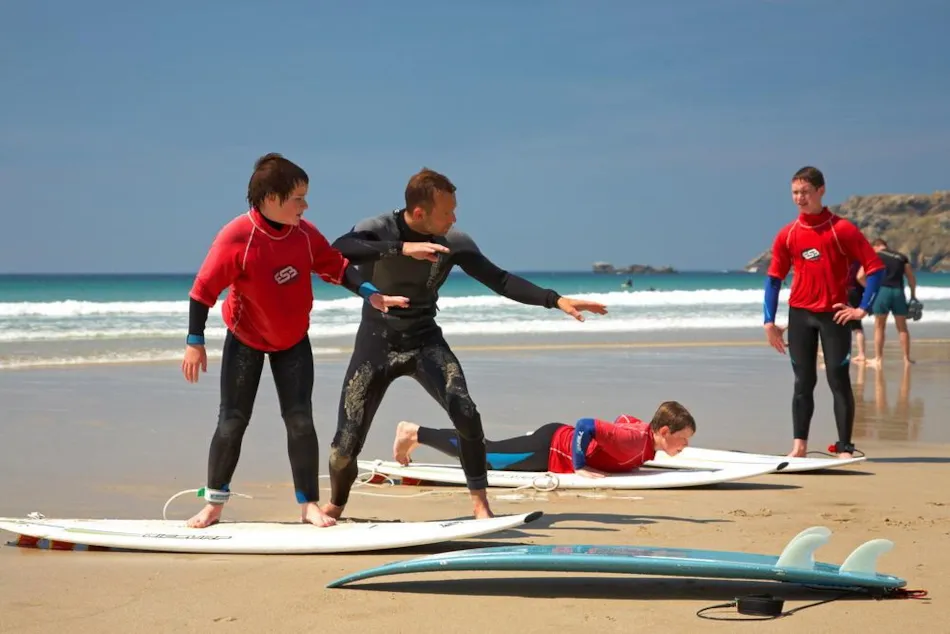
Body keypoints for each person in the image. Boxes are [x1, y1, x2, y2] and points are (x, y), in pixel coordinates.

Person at [324, 167, 609, 521]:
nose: (454, 218)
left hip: (424, 340)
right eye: (447, 212)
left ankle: (480, 505)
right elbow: (340, 249)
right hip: (376, 343)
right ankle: (335, 506)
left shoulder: (453, 242)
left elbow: (500, 279)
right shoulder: (379, 228)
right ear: (419, 213)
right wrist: (403, 249)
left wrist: (556, 300)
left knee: (467, 414)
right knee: (344, 446)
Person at [181, 153, 409, 529]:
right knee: (232, 422)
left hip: (292, 341)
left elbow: (336, 266)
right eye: (298, 198)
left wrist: (371, 294)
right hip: (246, 338)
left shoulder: (304, 235)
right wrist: (195, 341)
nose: (305, 206)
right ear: (271, 198)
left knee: (300, 421)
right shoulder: (239, 236)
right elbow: (203, 290)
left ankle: (308, 505)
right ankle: (214, 505)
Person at [763, 166, 885, 460]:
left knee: (838, 380)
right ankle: (799, 446)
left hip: (834, 316)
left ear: (821, 190)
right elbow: (774, 279)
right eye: (795, 192)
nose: (799, 198)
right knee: (802, 383)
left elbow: (875, 268)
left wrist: (862, 308)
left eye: (805, 192)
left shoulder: (841, 229)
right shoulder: (788, 234)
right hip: (800, 315)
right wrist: (769, 322)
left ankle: (844, 447)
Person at [390, 401, 696, 477]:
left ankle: (417, 435)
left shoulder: (643, 438)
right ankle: (414, 432)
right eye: (683, 439)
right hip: (549, 448)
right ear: (664, 432)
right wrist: (580, 466)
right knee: (486, 457)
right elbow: (585, 425)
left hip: (553, 439)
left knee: (488, 453)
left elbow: (624, 419)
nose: (685, 446)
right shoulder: (634, 441)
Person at [864, 239, 918, 368]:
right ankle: (906, 359)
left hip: (882, 291)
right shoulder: (901, 257)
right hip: (898, 292)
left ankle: (878, 359)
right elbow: (911, 278)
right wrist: (913, 295)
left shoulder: (875, 256)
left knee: (879, 326)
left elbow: (860, 275)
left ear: (876, 246)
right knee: (902, 327)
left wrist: (870, 289)